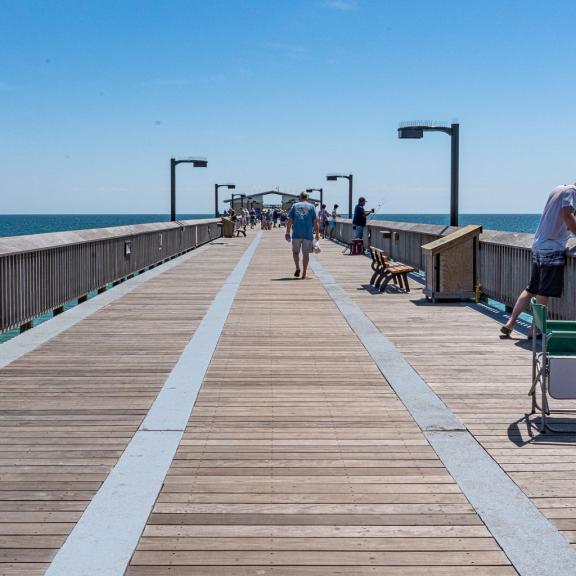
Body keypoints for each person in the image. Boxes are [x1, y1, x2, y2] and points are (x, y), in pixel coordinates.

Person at [501, 183, 576, 338]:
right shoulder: (571, 192)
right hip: (552, 246)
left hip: (539, 244)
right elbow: (567, 215)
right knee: (543, 291)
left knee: (531, 288)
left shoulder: (558, 188)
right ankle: (535, 329)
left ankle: (511, 322)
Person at [285, 191, 319, 279]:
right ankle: (304, 273)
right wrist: (317, 234)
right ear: (307, 197)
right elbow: (315, 222)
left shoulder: (295, 206)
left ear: (300, 197)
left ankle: (297, 267)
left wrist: (287, 232)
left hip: (296, 233)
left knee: (295, 252)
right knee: (306, 254)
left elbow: (290, 220)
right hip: (308, 234)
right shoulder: (311, 207)